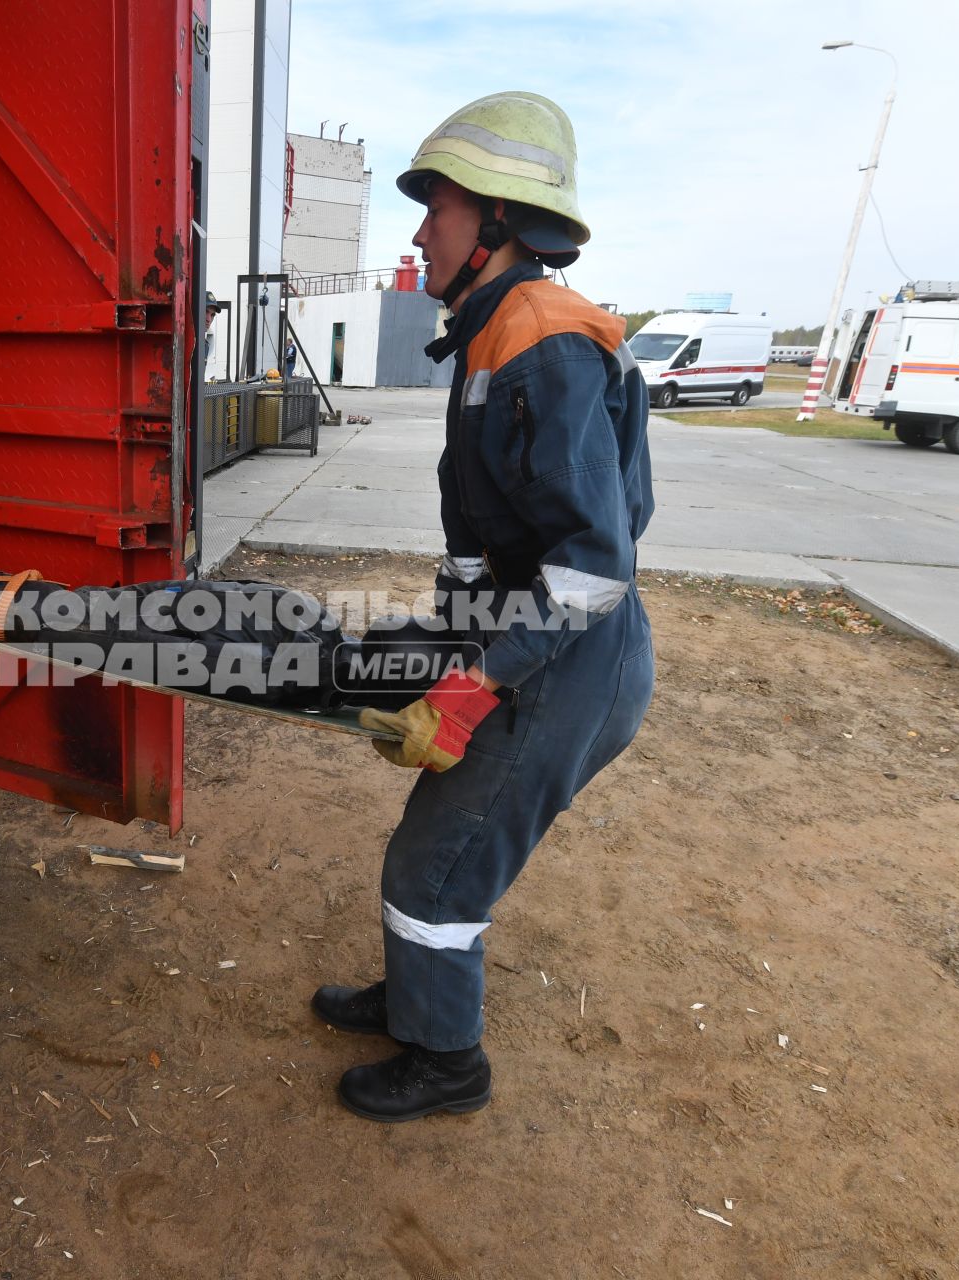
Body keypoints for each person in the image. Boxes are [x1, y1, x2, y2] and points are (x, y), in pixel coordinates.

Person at [315, 92, 654, 1120]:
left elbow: (595, 562)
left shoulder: (541, 341)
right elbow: (486, 532)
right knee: (434, 839)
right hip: (526, 642)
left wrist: (477, 687)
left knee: (438, 866)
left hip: (567, 663)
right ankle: (416, 998)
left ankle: (445, 1062)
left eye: (440, 208)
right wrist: (444, 648)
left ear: (499, 221)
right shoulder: (492, 332)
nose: (420, 230)